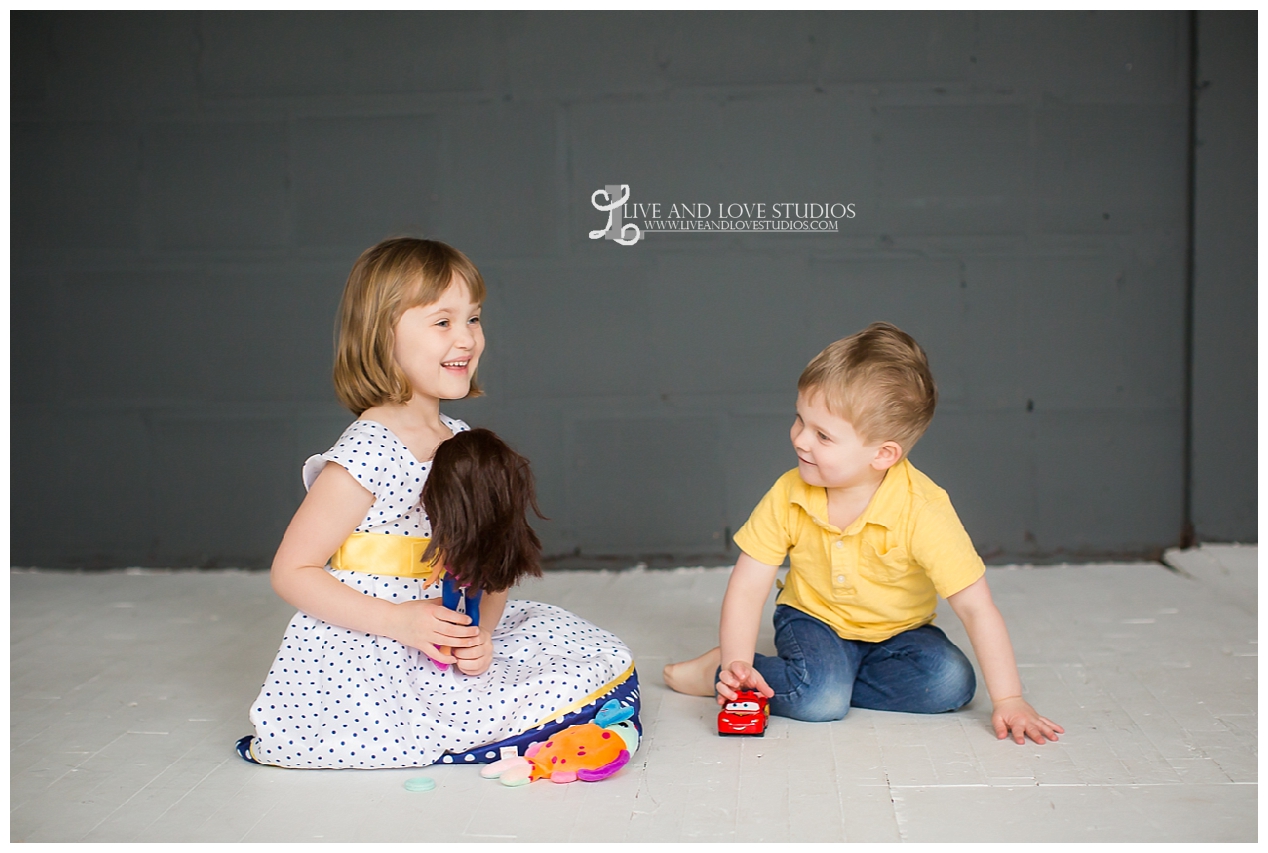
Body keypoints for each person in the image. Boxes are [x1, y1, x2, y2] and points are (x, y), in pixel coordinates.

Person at [238, 238, 638, 769]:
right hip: (373, 640)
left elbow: (486, 564)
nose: (467, 338)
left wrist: (482, 635)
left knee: (578, 655)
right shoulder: (368, 450)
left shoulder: (459, 438)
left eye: (473, 319)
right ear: (383, 337)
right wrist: (400, 623)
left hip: (447, 627)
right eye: (442, 322)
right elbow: (293, 571)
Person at [663, 322, 1062, 745]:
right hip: (815, 620)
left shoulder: (922, 509)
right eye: (800, 419)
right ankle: (724, 670)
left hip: (899, 632)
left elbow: (977, 608)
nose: (800, 439)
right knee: (822, 703)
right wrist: (739, 660)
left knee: (951, 684)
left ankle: (817, 678)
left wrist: (1010, 698)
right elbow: (747, 586)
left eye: (823, 435)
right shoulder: (790, 493)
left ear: (883, 454)